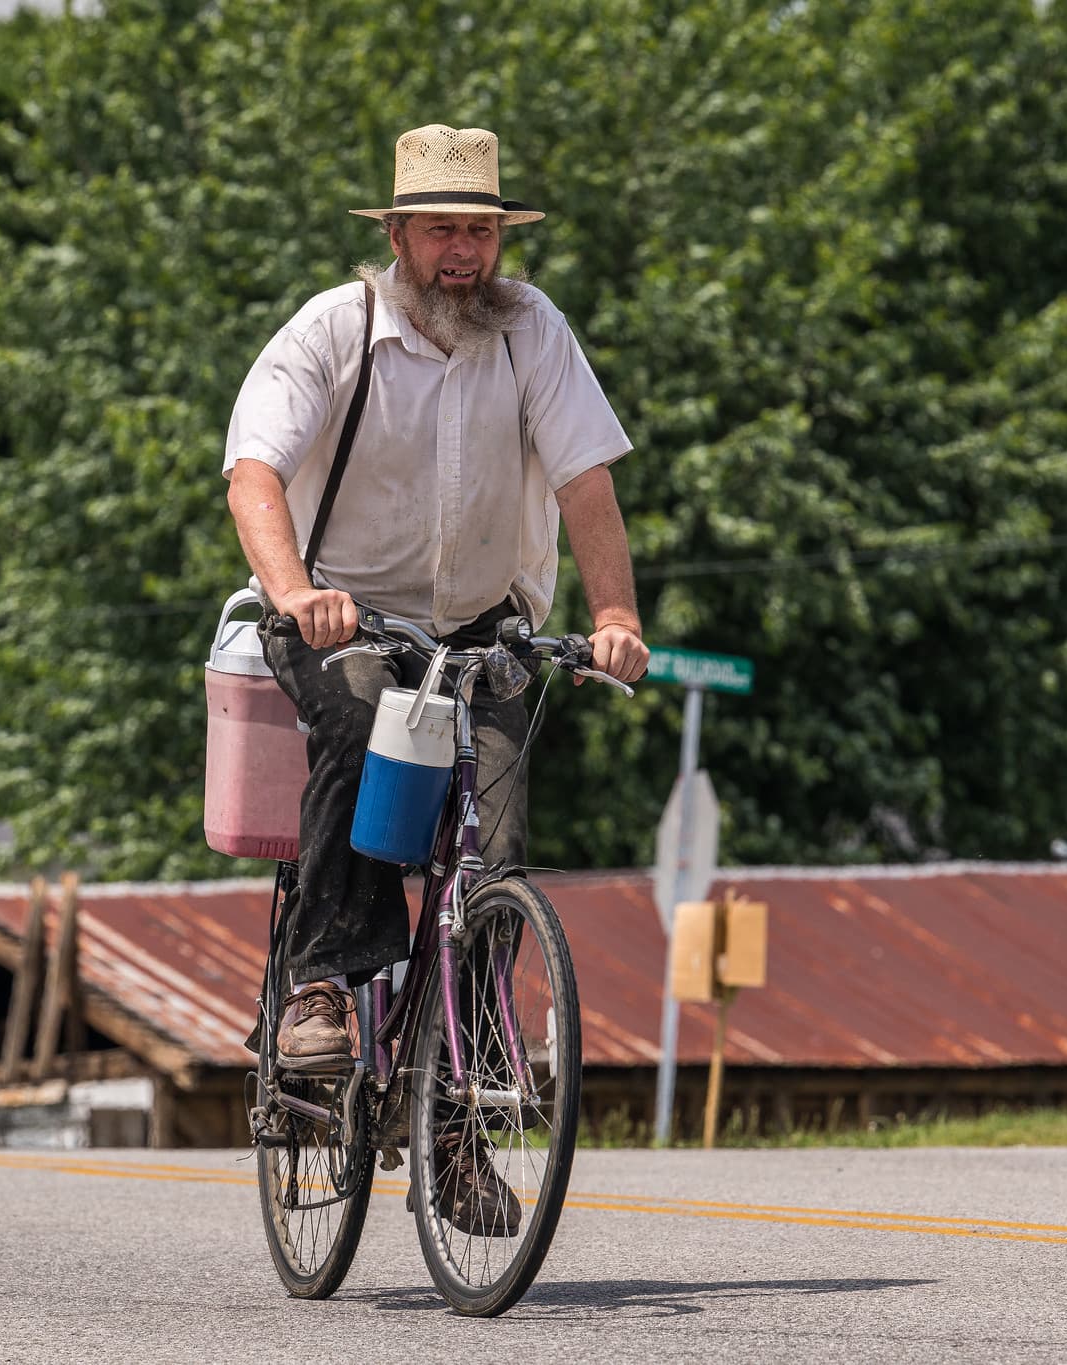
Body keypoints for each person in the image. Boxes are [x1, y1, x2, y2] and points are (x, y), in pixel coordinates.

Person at [222, 124, 647, 1232]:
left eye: (480, 231)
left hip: (485, 631)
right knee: (364, 746)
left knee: (489, 857)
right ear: (399, 234)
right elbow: (254, 469)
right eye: (443, 231)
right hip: (344, 619)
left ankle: (453, 1133)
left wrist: (612, 617)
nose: (463, 252)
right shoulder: (336, 328)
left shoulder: (529, 331)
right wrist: (290, 591)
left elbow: (586, 486)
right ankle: (319, 988)